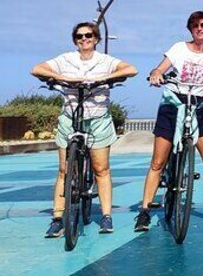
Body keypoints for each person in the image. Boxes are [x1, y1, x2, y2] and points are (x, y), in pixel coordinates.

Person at [31, 21, 138, 237]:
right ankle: (58, 218)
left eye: (89, 35)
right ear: (75, 40)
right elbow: (36, 69)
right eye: (79, 36)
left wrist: (103, 78)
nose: (84, 39)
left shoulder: (105, 60)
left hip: (97, 117)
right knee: (63, 170)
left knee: (101, 169)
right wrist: (64, 78)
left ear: (96, 39)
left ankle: (106, 216)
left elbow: (131, 69)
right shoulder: (66, 59)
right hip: (71, 116)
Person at [134, 11, 203, 232]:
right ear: (190, 28)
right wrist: (156, 74)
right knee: (158, 162)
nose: (200, 28)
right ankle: (144, 211)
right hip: (172, 105)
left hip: (199, 106)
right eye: (196, 25)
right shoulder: (178, 48)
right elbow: (159, 68)